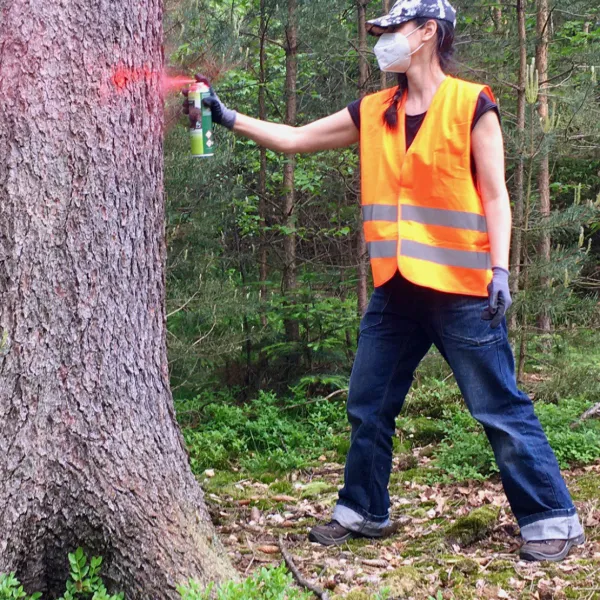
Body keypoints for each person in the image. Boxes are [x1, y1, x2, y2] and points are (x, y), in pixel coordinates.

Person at [183, 0, 585, 563]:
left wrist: (500, 269)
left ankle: (552, 518)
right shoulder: (373, 110)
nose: (380, 40)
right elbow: (296, 139)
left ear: (427, 33)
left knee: (498, 405)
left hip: (463, 289)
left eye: (390, 30)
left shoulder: (474, 104)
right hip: (395, 290)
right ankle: (364, 508)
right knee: (369, 403)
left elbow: (496, 195)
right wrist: (228, 119)